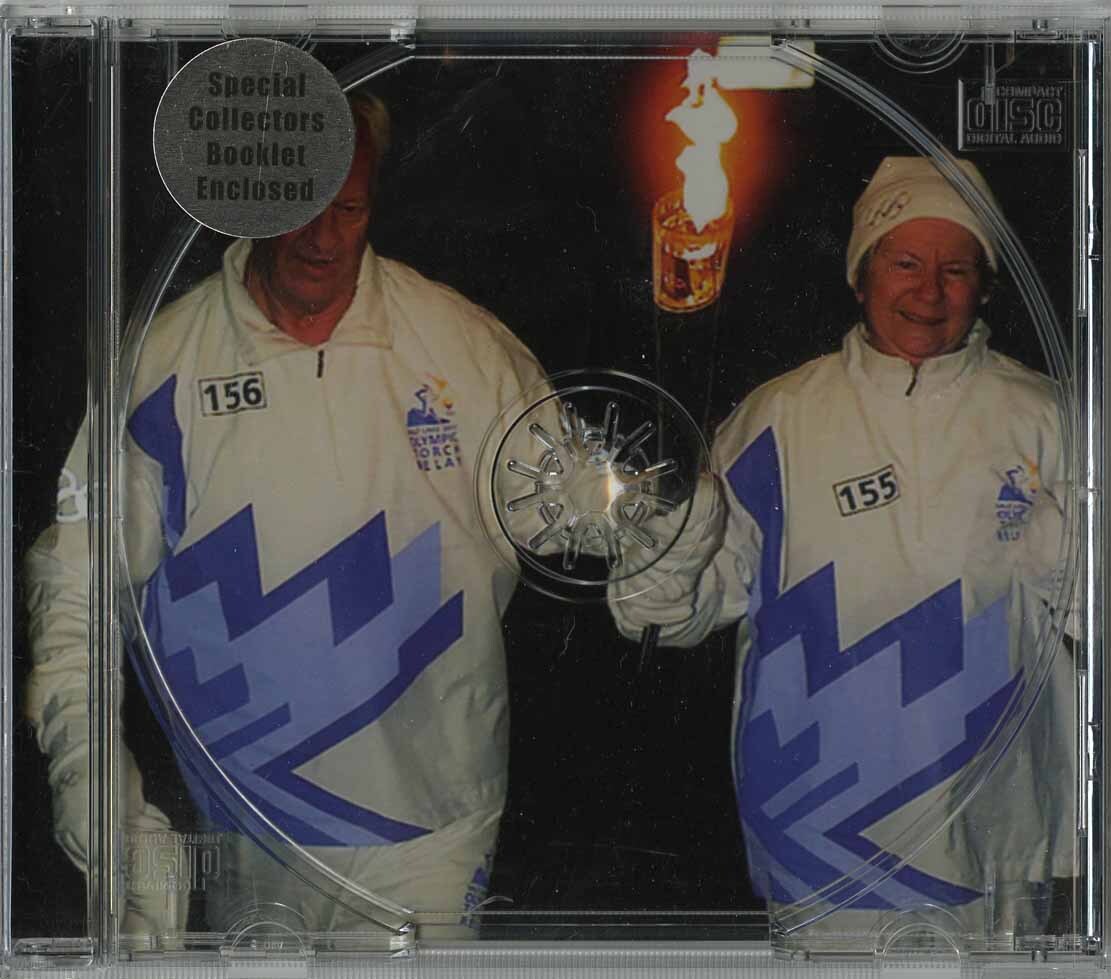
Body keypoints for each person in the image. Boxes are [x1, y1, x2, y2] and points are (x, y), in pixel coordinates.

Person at [24, 93, 550, 938]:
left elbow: (573, 514)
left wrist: (652, 518)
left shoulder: (464, 346)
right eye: (302, 205)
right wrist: (93, 789)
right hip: (252, 826)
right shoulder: (164, 362)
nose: (323, 239)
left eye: (349, 209)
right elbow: (77, 585)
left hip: (433, 826)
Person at [610, 156, 1075, 942]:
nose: (928, 292)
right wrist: (667, 534)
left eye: (956, 269)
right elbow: (665, 616)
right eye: (904, 262)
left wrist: (1064, 550)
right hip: (817, 826)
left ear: (984, 286)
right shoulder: (779, 417)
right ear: (860, 274)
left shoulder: (1046, 417)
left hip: (989, 832)